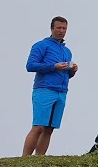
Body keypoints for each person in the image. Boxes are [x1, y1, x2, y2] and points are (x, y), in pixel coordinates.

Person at [23, 16, 78, 156]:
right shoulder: (41, 45)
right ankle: (24, 160)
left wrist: (72, 71)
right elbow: (30, 66)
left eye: (64, 28)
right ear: (52, 28)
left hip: (62, 92)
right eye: (58, 28)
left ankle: (40, 159)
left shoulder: (67, 51)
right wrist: (53, 66)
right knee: (39, 126)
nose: (61, 31)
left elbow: (66, 74)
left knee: (50, 128)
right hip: (44, 89)